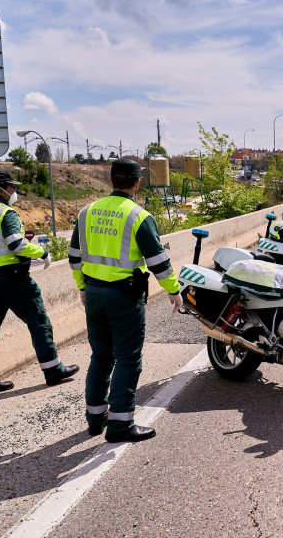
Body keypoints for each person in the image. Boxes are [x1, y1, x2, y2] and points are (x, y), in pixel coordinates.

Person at [69, 159, 183, 443]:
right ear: (138, 183)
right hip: (123, 297)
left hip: (94, 294)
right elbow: (158, 260)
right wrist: (173, 290)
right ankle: (120, 426)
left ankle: (96, 418)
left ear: (111, 180)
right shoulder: (138, 216)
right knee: (128, 358)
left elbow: (74, 257)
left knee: (101, 355)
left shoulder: (86, 212)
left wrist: (83, 287)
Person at [0, 170, 79, 396]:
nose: (14, 191)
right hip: (13, 278)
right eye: (11, 187)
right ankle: (53, 370)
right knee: (38, 320)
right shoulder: (5, 213)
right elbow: (16, 244)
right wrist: (42, 252)